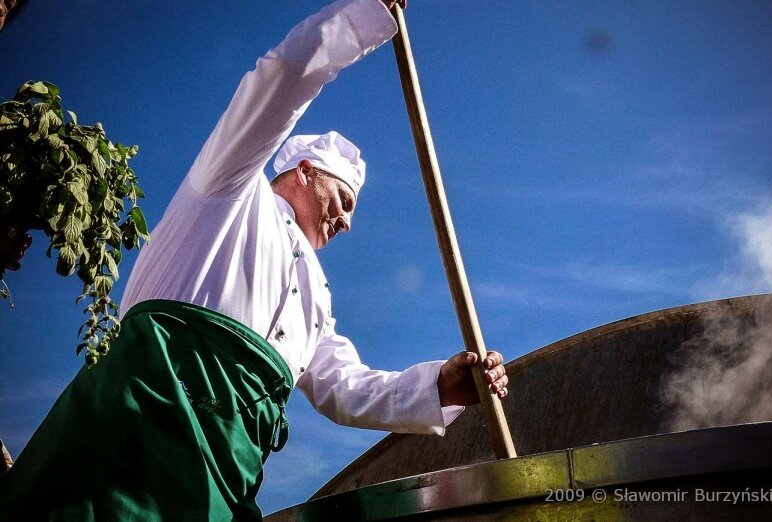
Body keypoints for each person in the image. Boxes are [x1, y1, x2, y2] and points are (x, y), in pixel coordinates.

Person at [0, 0, 509, 519]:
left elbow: (344, 387)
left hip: (224, 475)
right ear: (306, 172)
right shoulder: (228, 191)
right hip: (140, 431)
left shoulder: (317, 295)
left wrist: (439, 385)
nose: (348, 223)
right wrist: (366, 13)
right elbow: (282, 79)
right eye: (346, 201)